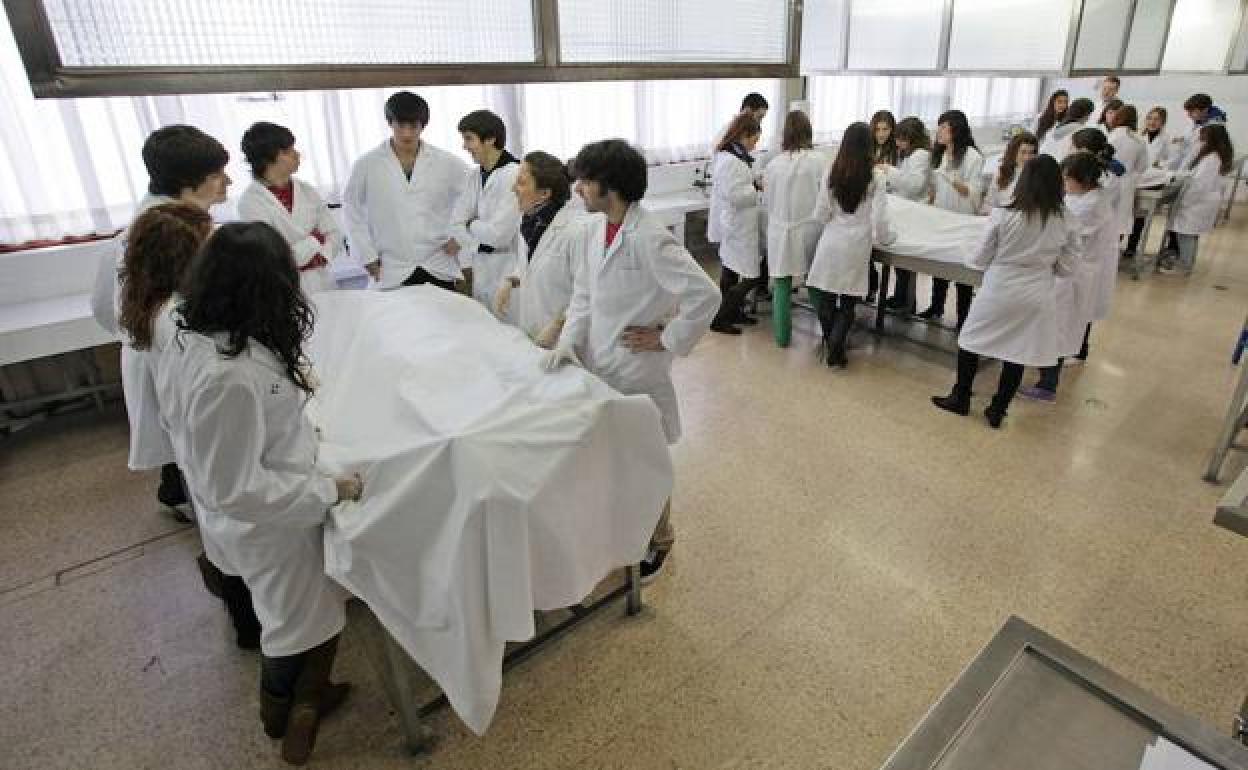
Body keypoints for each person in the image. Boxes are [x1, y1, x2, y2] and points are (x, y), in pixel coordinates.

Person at [156, 222, 362, 765]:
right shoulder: (226, 376)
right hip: (271, 525)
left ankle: (304, 696)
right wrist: (327, 490)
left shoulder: (210, 333)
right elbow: (236, 488)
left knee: (302, 616)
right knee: (294, 625)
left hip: (272, 507)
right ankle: (282, 712)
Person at [542, 139, 719, 582]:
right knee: (618, 457)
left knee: (646, 460)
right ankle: (625, 532)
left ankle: (661, 541)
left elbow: (706, 295)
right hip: (600, 362)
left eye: (586, 181)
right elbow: (583, 294)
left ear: (611, 187)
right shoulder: (593, 230)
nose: (578, 188)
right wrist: (567, 343)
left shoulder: (650, 238)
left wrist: (667, 337)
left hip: (638, 370)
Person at [117, 202, 263, 649]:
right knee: (230, 530)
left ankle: (242, 614)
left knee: (218, 529)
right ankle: (249, 626)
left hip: (190, 437)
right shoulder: (182, 320)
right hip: (203, 437)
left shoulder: (151, 301)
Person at [91, 124, 230, 513]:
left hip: (163, 353)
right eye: (217, 175)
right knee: (189, 446)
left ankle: (177, 493)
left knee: (181, 446)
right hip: (173, 357)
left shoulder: (154, 222)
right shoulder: (165, 234)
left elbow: (104, 307)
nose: (227, 181)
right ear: (187, 183)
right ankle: (188, 502)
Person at [931, 156, 1076, 428]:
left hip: (1001, 288)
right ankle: (998, 409)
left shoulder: (1005, 214)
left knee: (970, 341)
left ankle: (960, 398)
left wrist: (968, 251)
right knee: (1017, 351)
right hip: (1036, 292)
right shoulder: (1065, 219)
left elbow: (980, 258)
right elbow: (1067, 267)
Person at [342, 91, 468, 291]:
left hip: (437, 263)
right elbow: (351, 210)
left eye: (414, 126)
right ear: (390, 123)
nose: (407, 134)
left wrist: (462, 235)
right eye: (400, 125)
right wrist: (366, 255)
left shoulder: (447, 162)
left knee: (441, 311)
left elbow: (478, 196)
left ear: (423, 125)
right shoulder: (367, 164)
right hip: (390, 268)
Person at [1020, 152, 1113, 402]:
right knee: (1060, 328)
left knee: (1058, 328)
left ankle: (1047, 385)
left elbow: (1060, 228)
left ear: (1083, 180)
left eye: (1067, 179)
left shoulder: (1087, 206)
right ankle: (1046, 372)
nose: (1064, 185)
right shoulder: (1091, 197)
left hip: (1072, 275)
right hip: (1076, 271)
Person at [807, 122, 896, 368]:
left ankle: (832, 342)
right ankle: (836, 345)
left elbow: (820, 213)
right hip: (857, 244)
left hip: (832, 239)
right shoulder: (876, 176)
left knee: (826, 298)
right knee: (848, 301)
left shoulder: (831, 172)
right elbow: (880, 219)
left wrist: (834, 219)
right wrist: (888, 238)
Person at [238, 122, 341, 295]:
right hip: (284, 289)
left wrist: (320, 256)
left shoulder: (307, 190)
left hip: (322, 281)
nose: (297, 154)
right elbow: (273, 258)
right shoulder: (250, 203)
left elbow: (334, 233)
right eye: (287, 151)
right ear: (268, 158)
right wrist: (315, 239)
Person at [494, 151, 584, 347]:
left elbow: (587, 290)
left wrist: (559, 324)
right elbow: (532, 263)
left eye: (521, 183)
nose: (513, 188)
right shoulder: (529, 224)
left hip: (567, 339)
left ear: (544, 194)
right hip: (533, 329)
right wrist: (511, 280)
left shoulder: (575, 231)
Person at [762, 109, 828, 347]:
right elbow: (826, 198)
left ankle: (782, 338)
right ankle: (830, 331)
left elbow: (767, 200)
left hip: (779, 230)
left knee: (781, 283)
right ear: (808, 132)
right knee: (815, 281)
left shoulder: (774, 164)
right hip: (809, 229)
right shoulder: (819, 161)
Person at [451, 109, 522, 309]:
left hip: (510, 269)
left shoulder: (516, 174)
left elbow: (499, 236)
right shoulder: (475, 175)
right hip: (482, 269)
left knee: (510, 325)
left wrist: (471, 224)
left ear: (490, 139)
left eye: (469, 139)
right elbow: (455, 224)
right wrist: (478, 243)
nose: (464, 146)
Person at [920, 110, 983, 328]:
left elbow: (975, 192)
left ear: (956, 130)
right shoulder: (939, 154)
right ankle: (936, 306)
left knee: (962, 271)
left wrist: (955, 181)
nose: (939, 131)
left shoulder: (972, 157)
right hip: (941, 217)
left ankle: (963, 317)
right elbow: (933, 187)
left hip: (962, 220)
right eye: (939, 126)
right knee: (940, 265)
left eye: (944, 127)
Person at [708, 114, 764, 335]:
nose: (755, 145)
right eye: (754, 140)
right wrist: (756, 187)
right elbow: (735, 196)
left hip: (737, 224)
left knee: (731, 270)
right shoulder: (731, 161)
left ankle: (733, 312)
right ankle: (720, 318)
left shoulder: (733, 156)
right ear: (743, 135)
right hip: (739, 225)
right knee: (751, 275)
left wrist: (753, 181)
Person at [1160, 94, 1229, 260]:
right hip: (1189, 179)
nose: (1189, 115)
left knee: (1186, 232)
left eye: (1193, 111)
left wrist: (1183, 197)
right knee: (1183, 230)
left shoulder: (1212, 132)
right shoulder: (1198, 127)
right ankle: (1177, 255)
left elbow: (1199, 179)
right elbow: (1186, 154)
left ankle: (1182, 261)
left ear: (1205, 110)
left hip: (1197, 195)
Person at [1166, 123, 1235, 275]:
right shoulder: (1216, 156)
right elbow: (1196, 176)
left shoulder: (1211, 159)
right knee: (1190, 234)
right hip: (1203, 201)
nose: (1200, 141)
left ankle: (1184, 266)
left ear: (1212, 139)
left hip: (1198, 202)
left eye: (1203, 138)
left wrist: (1184, 201)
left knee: (1186, 234)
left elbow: (1199, 185)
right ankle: (1186, 262)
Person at [881, 117, 932, 314]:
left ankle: (906, 301)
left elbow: (914, 185)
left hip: (913, 211)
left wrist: (889, 171)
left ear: (912, 138)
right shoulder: (910, 155)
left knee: (906, 263)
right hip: (905, 208)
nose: (897, 143)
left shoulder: (920, 155)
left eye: (901, 139)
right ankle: (900, 296)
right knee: (901, 263)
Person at [1124, 107, 1172, 258]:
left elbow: (1170, 160)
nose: (1152, 122)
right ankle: (1119, 243)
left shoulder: (1166, 139)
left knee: (1140, 216)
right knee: (1125, 213)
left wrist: (1161, 164)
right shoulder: (1138, 136)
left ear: (1162, 122)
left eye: (1156, 119)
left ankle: (1131, 246)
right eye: (1150, 118)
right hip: (1136, 178)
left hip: (1150, 180)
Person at [866, 110, 898, 302]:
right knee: (868, 251)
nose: (881, 134)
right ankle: (871, 287)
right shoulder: (868, 148)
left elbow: (898, 179)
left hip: (891, 203)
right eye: (878, 129)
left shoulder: (896, 151)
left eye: (885, 129)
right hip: (870, 204)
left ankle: (898, 297)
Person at [1106, 106, 1149, 239]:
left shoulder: (1111, 136)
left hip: (1107, 181)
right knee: (1120, 221)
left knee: (1104, 219)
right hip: (1126, 184)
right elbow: (1142, 167)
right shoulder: (1139, 140)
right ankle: (1116, 248)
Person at [985, 132, 1038, 211]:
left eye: (1031, 153)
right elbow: (989, 202)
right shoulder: (1002, 171)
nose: (1027, 157)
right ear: (1014, 152)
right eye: (1023, 152)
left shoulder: (1038, 176)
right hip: (998, 215)